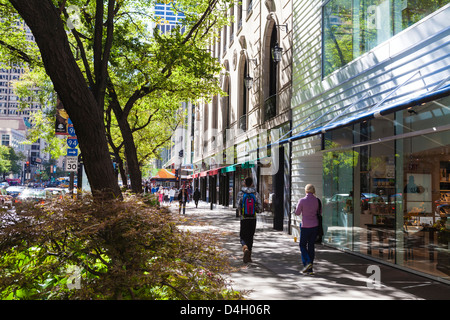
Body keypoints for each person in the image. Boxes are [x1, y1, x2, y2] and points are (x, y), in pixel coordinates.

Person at [295, 184, 322, 275]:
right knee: (311, 246)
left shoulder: (302, 200)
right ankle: (310, 269)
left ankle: (307, 262)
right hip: (315, 226)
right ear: (313, 191)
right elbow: (320, 212)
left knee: (302, 245)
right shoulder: (317, 201)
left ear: (306, 191)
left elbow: (297, 213)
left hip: (305, 226)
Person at [237, 177, 262, 263]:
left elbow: (238, 205)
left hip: (244, 218)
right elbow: (260, 207)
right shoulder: (255, 193)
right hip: (253, 217)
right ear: (251, 183)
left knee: (243, 236)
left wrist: (240, 212)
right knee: (250, 236)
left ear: (244, 183)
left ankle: (245, 248)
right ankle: (249, 256)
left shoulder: (241, 193)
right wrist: (257, 210)